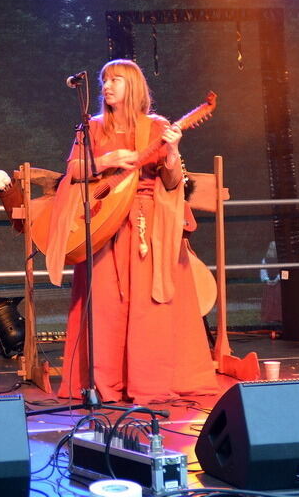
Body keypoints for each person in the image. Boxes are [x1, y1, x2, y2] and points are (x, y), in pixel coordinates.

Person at [48, 59, 218, 404]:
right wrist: (108, 161)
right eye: (104, 81)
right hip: (103, 224)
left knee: (147, 307)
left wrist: (172, 149)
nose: (107, 87)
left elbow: (172, 182)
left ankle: (148, 382)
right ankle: (105, 384)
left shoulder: (156, 126)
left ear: (134, 87)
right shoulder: (92, 127)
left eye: (116, 81)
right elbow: (74, 170)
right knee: (106, 306)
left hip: (145, 228)